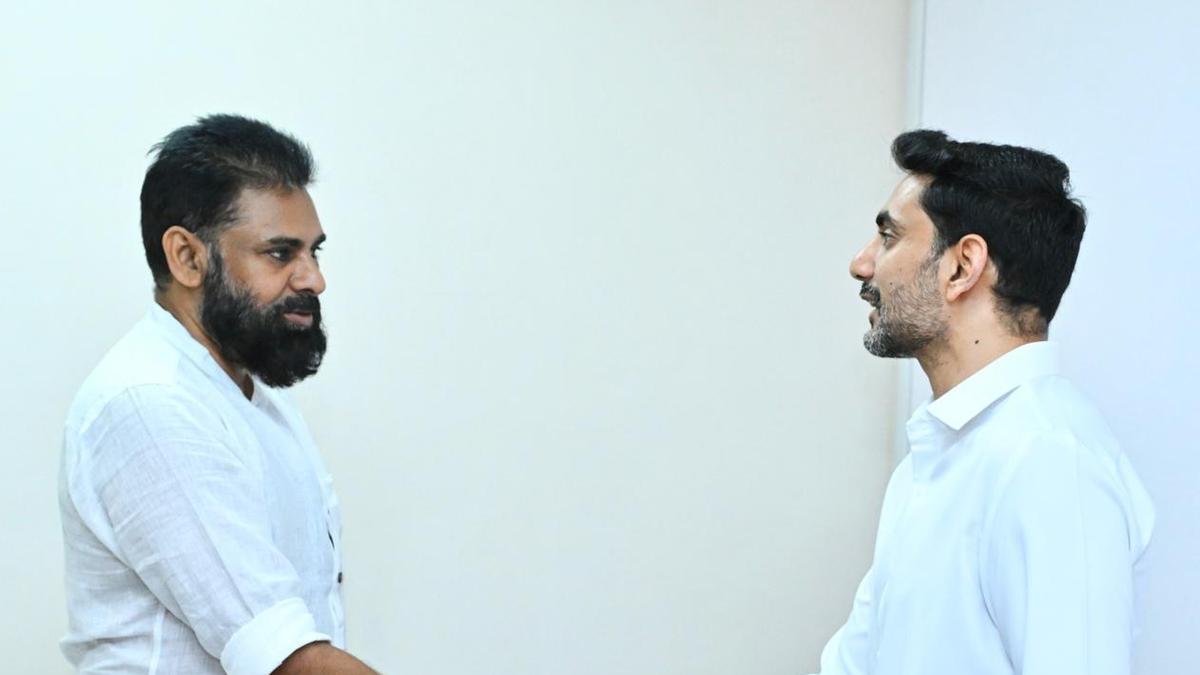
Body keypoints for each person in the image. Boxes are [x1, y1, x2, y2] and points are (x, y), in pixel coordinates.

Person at [814, 130, 1155, 674]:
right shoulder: (937, 458)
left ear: (962, 266)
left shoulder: (1049, 462)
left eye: (889, 237)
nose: (862, 264)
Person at [59, 114, 376, 674]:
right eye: (280, 253)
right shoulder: (150, 403)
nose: (313, 279)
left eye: (314, 252)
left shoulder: (255, 395)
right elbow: (284, 655)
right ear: (187, 257)